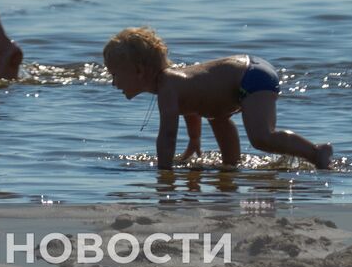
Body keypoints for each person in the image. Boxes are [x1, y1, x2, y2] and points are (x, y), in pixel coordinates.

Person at [102, 27, 334, 170]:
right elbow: (191, 110)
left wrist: (164, 170)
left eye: (115, 75)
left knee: (262, 137)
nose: (113, 83)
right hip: (245, 73)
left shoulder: (167, 88)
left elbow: (168, 135)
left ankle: (316, 152)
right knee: (216, 116)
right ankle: (231, 164)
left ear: (139, 71)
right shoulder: (172, 87)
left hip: (250, 77)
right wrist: (194, 141)